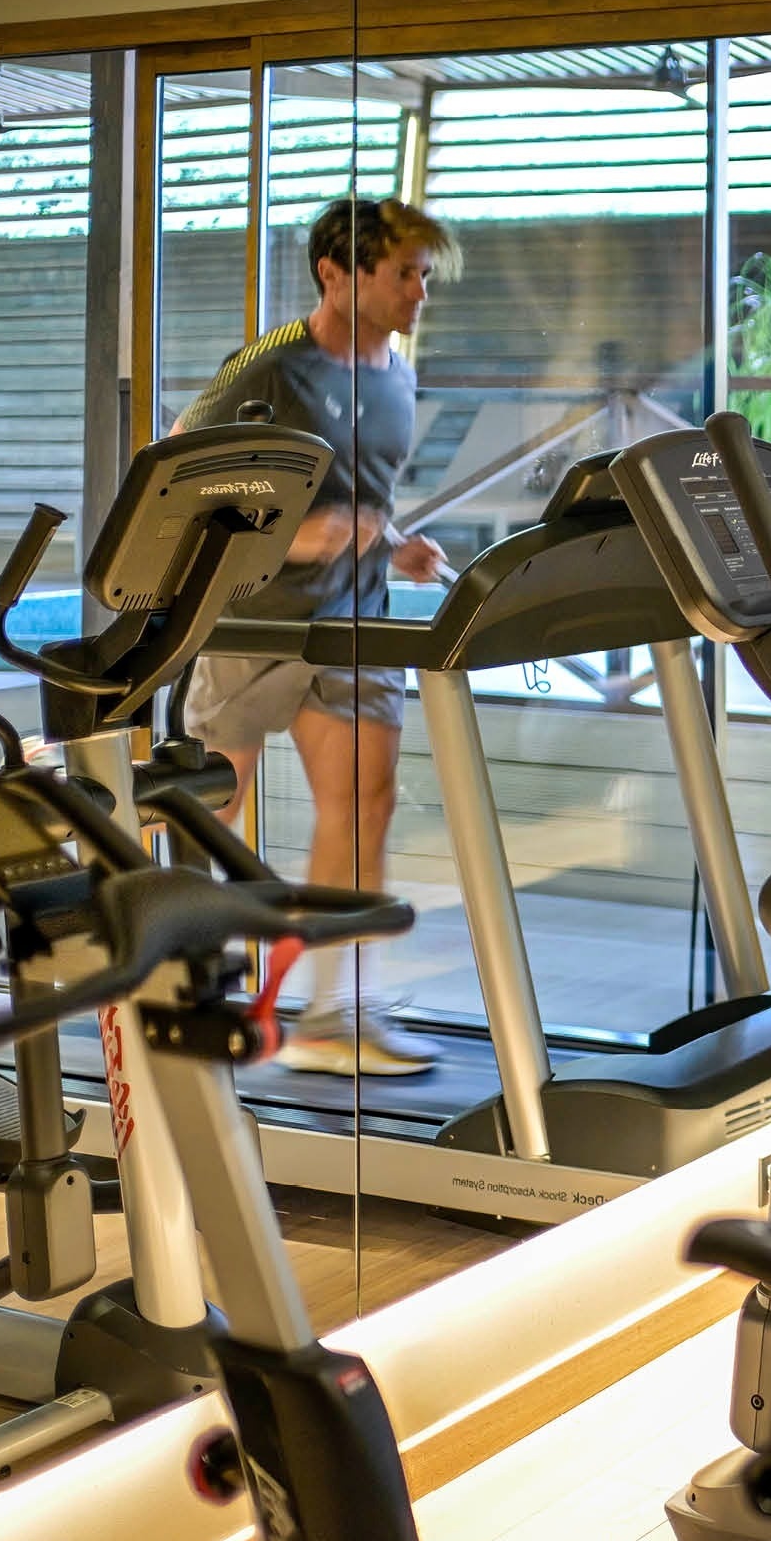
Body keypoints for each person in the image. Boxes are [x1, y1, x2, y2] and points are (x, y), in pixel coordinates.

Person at [175, 198, 457, 1076]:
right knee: (215, 809)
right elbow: (176, 471)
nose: (420, 292)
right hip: (255, 618)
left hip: (353, 620)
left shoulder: (398, 375)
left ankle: (333, 1016)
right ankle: (178, 988)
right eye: (405, 272)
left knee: (367, 801)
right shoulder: (268, 365)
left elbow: (364, 492)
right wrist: (293, 536)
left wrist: (399, 543)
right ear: (339, 273)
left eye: (424, 276)